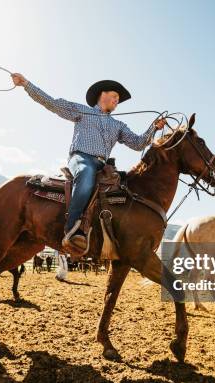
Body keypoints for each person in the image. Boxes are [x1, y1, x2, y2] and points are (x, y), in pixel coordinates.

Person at [11, 73, 166, 252]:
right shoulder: (82, 111)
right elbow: (52, 104)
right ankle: (71, 229)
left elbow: (138, 144)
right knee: (85, 173)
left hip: (104, 166)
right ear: (102, 95)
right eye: (115, 96)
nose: (117, 101)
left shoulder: (118, 125)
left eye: (118, 99)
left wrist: (153, 127)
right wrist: (26, 84)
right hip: (81, 158)